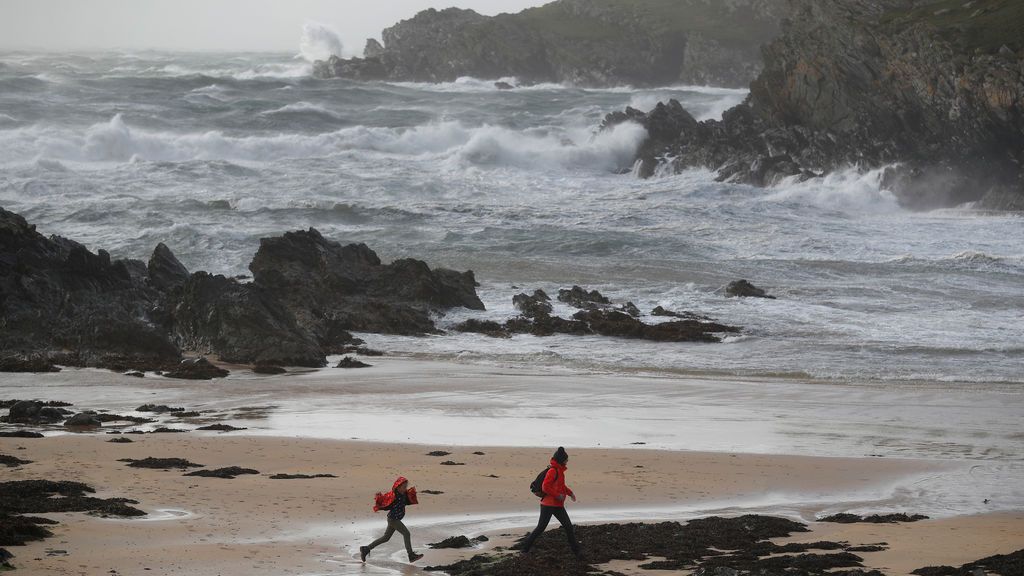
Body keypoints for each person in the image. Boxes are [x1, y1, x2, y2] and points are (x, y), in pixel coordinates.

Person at [520, 446, 583, 559]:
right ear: (561, 460)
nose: (567, 461)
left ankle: (577, 552)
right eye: (566, 459)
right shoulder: (553, 471)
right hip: (548, 505)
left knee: (568, 526)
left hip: (558, 505)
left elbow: (561, 486)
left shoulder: (559, 471)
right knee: (540, 528)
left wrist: (570, 493)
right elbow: (545, 487)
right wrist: (557, 495)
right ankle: (524, 550)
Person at [360, 476, 423, 563]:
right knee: (406, 533)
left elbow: (408, 499)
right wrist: (379, 501)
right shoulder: (393, 495)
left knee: (386, 538)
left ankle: (366, 549)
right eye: (403, 487)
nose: (405, 489)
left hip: (393, 519)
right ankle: (411, 555)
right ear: (398, 487)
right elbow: (385, 501)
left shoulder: (404, 494)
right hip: (393, 519)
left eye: (406, 487)